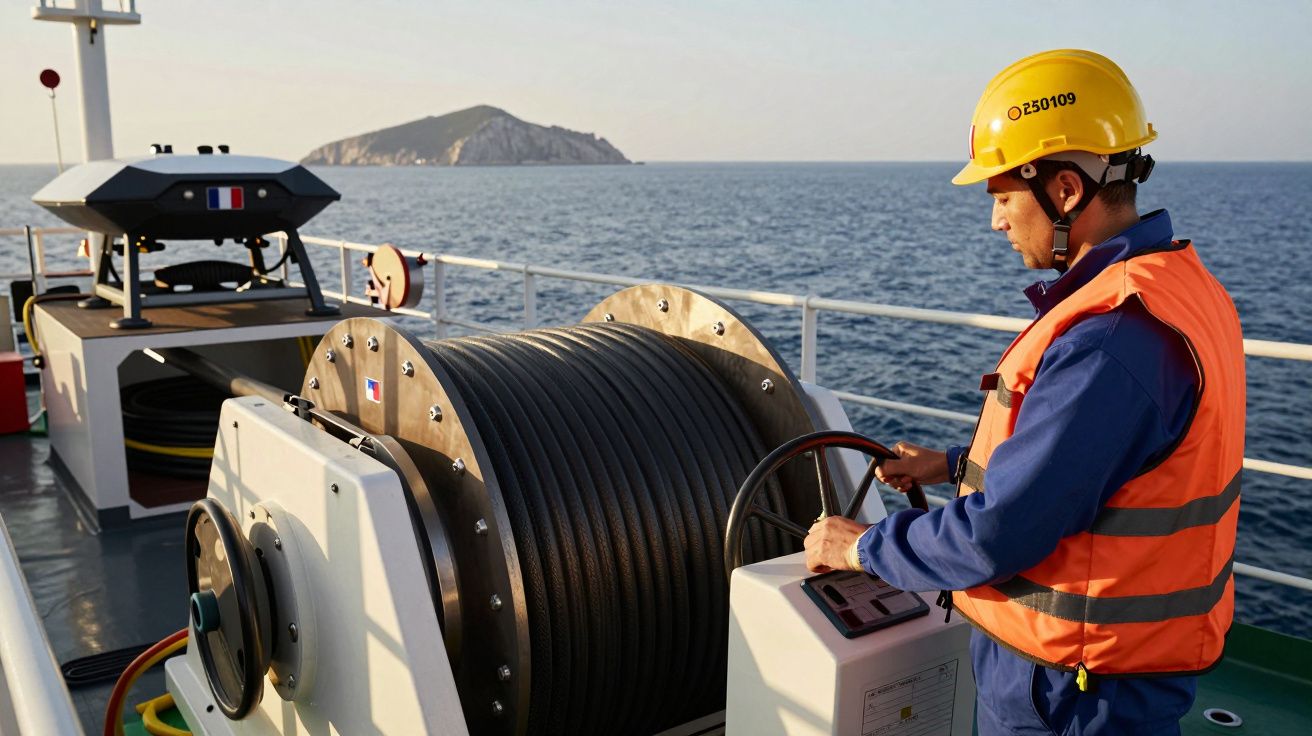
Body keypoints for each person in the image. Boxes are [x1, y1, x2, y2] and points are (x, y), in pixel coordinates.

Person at [804, 49, 1245, 735]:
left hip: (1071, 696)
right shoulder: (1181, 288)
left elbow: (998, 535)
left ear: (1065, 191)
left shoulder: (1109, 339)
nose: (997, 221)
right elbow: (1099, 466)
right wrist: (951, 464)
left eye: (1003, 196)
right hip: (1112, 682)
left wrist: (862, 547)